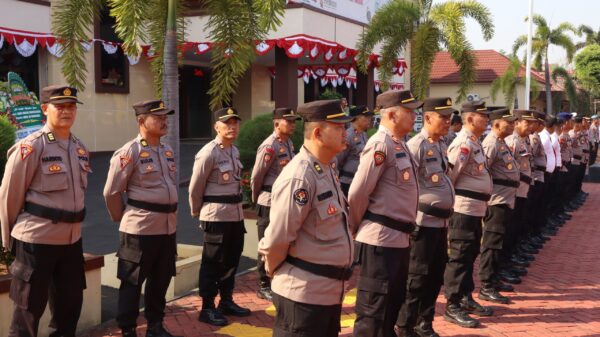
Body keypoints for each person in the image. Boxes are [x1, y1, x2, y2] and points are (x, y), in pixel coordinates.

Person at [258, 99, 354, 337]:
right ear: (319, 133)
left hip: (326, 294)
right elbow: (276, 240)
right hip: (302, 296)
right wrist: (279, 272)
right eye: (340, 127)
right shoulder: (300, 176)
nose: (346, 133)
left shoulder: (325, 168)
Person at [0, 85, 89, 337]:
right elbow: (9, 196)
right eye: (59, 106)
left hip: (72, 242)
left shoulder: (79, 147)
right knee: (28, 311)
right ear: (44, 109)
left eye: (71, 106)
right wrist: (10, 244)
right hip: (36, 242)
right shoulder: (31, 147)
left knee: (69, 307)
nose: (66, 111)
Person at [347, 90, 422, 337]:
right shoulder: (380, 145)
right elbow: (358, 193)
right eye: (409, 111)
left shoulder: (399, 144)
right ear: (391, 114)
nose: (414, 116)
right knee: (374, 314)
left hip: (398, 240)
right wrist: (358, 227)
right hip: (380, 241)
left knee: (391, 306)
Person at [103, 100, 179, 337]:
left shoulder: (166, 151)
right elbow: (112, 191)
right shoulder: (129, 152)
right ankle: (128, 330)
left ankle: (155, 326)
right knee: (132, 283)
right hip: (139, 229)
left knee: (161, 280)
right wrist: (122, 217)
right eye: (158, 117)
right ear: (141, 121)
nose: (164, 121)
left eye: (165, 117)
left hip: (166, 228)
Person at [395, 97, 456, 337]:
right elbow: (406, 188)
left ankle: (424, 323)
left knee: (435, 275)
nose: (448, 121)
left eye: (450, 116)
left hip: (440, 223)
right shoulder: (416, 145)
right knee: (416, 278)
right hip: (423, 224)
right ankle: (405, 325)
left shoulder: (440, 144)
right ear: (428, 117)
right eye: (443, 116)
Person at [189, 107, 251, 326]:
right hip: (215, 216)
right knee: (212, 263)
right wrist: (199, 212)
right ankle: (207, 307)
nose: (232, 127)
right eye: (227, 124)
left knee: (232, 261)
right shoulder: (209, 152)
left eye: (235, 123)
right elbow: (196, 187)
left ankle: (226, 301)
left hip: (235, 215)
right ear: (217, 126)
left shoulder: (233, 151)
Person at [443, 101, 493, 329]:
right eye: (483, 117)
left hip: (475, 209)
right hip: (463, 209)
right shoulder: (462, 143)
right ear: (470, 119)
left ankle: (465, 296)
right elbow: (450, 177)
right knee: (460, 257)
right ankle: (452, 305)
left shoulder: (475, 142)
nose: (487, 120)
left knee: (471, 252)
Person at [250, 107, 300, 301]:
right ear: (276, 123)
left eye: (294, 121)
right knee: (267, 243)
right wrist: (258, 200)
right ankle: (264, 285)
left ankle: (277, 279)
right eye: (289, 121)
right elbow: (256, 177)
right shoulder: (269, 146)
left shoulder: (288, 143)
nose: (293, 125)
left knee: (282, 241)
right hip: (269, 201)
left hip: (283, 201)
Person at [478, 107, 519, 305]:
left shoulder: (501, 143)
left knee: (499, 242)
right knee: (492, 244)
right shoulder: (491, 143)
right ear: (496, 124)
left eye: (513, 122)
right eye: (508, 122)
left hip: (506, 199)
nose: (512, 125)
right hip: (496, 201)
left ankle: (494, 278)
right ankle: (486, 285)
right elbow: (483, 173)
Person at [337, 105, 374, 195]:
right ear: (357, 118)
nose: (369, 119)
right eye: (366, 117)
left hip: (360, 180)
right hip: (348, 182)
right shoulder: (348, 135)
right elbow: (338, 160)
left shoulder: (363, 135)